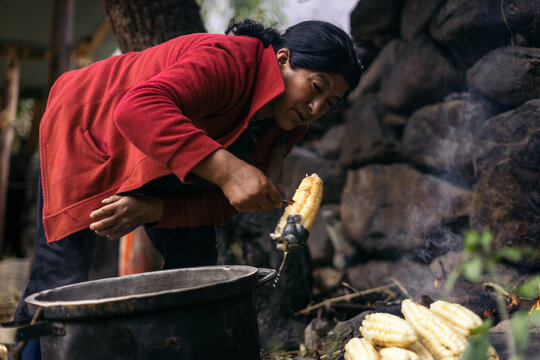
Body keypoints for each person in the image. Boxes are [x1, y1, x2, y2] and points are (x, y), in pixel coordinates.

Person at [12, 18, 362, 359]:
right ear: (282, 59)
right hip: (89, 127)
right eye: (316, 88)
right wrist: (228, 171)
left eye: (329, 103)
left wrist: (156, 208)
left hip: (165, 158)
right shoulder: (230, 61)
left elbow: (226, 202)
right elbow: (136, 109)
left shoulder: (286, 125)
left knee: (198, 274)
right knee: (59, 276)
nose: (316, 109)